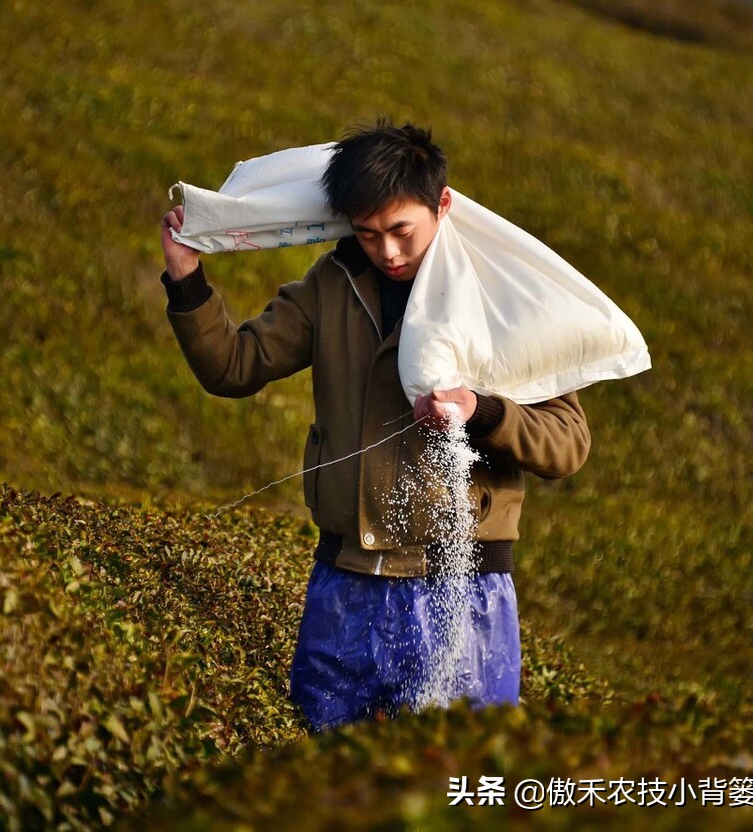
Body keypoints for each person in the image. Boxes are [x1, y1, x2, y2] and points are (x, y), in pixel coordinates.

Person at [157, 119, 591, 731]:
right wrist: (185, 278)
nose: (387, 251)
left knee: (451, 778)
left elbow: (568, 442)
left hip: (460, 585)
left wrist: (480, 411)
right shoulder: (331, 286)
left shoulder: (497, 298)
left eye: (401, 231)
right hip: (346, 580)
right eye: (367, 234)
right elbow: (234, 366)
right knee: (327, 767)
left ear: (441, 204)